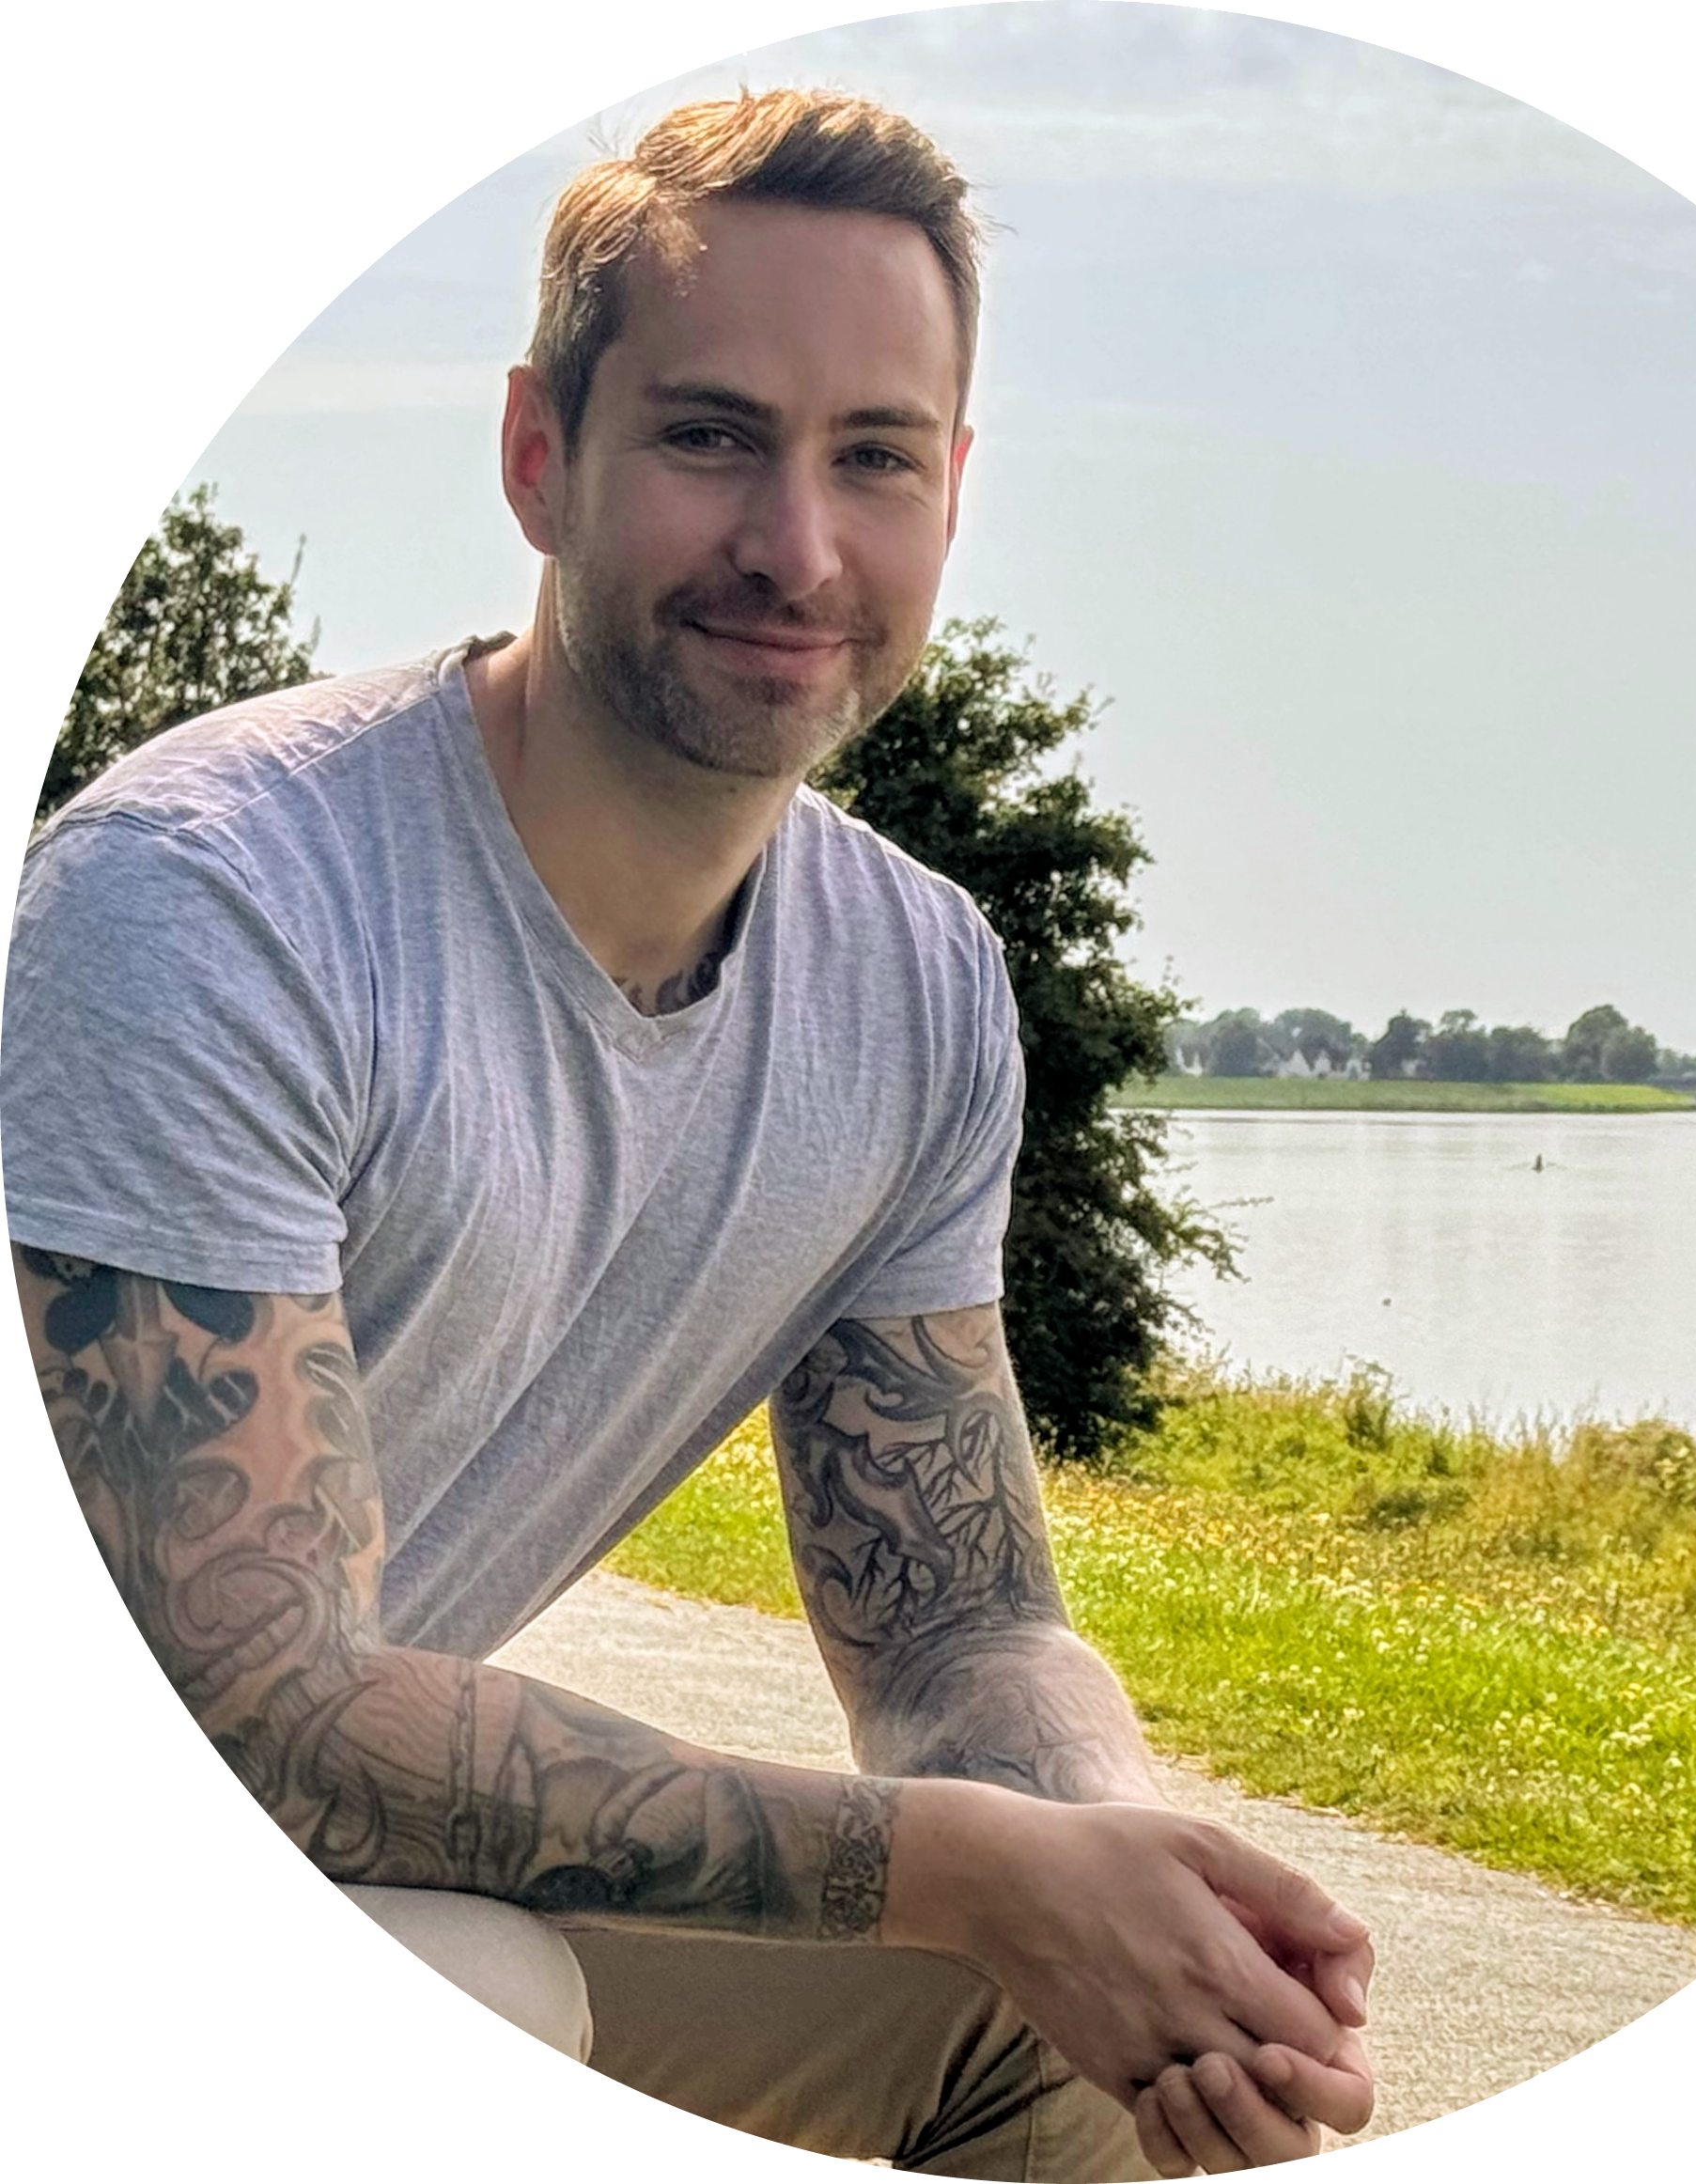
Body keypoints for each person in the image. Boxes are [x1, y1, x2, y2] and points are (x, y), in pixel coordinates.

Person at [2, 91, 1376, 2178]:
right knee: (482, 1983)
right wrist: (962, 1864)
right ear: (539, 457)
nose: (797, 549)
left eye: (874, 457)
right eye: (713, 436)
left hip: (354, 1857)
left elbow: (957, 1620)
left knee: (1087, 2029)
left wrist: (1128, 1879)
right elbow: (258, 1706)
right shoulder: (215, 899)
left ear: (954, 493)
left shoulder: (913, 986)